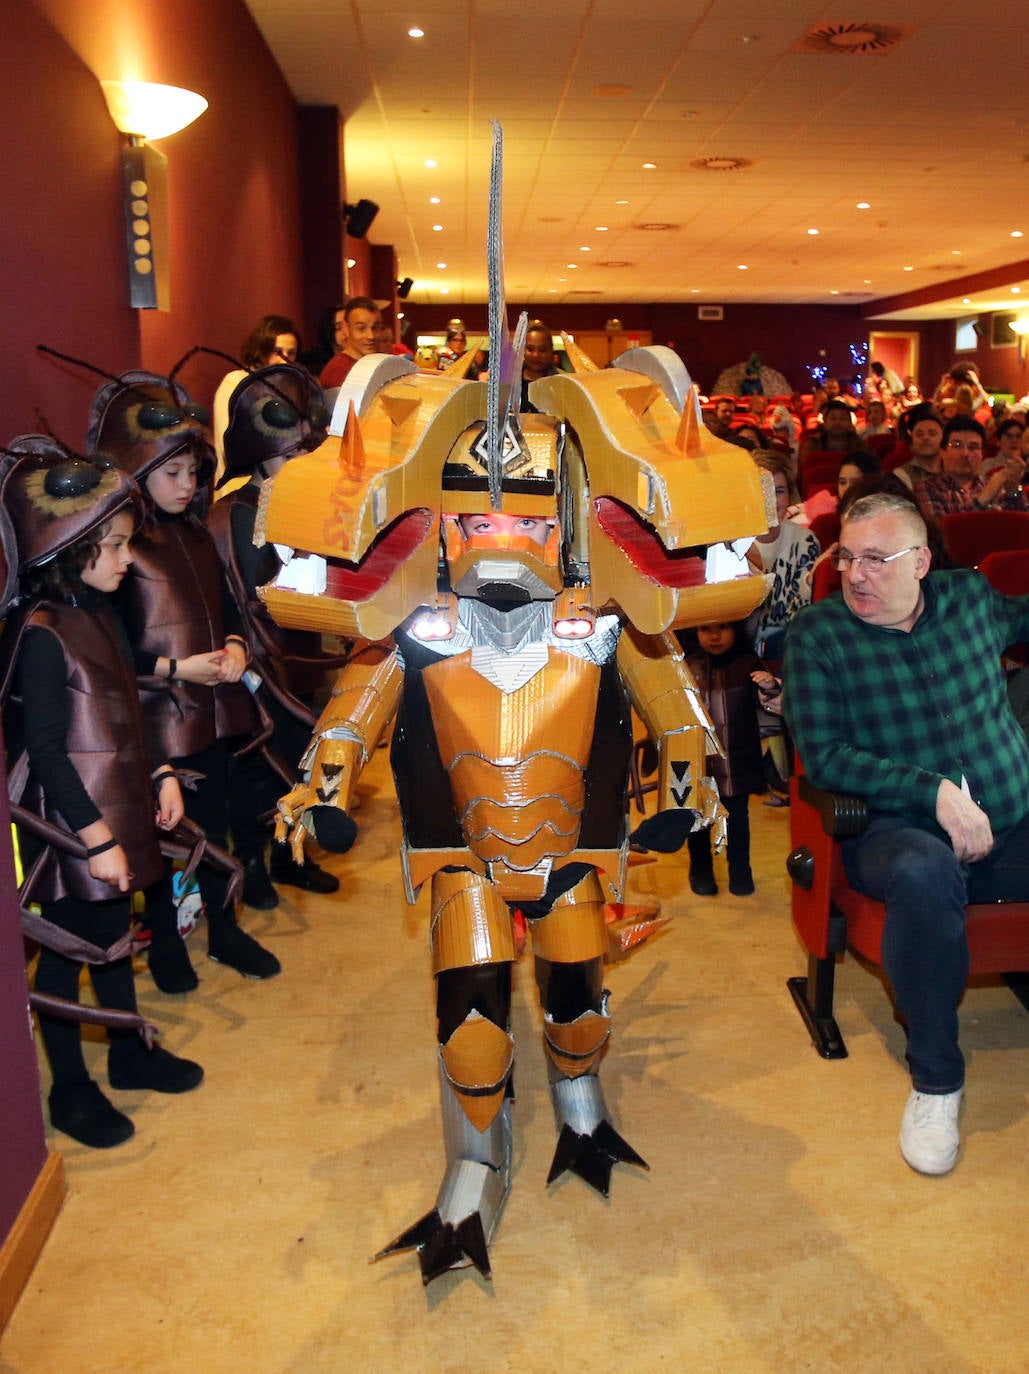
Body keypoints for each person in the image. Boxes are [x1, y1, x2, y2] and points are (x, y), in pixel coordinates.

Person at [784, 491, 1029, 1176]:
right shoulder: (819, 635)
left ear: (920, 561)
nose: (855, 575)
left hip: (1010, 818)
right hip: (895, 830)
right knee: (924, 875)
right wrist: (932, 791)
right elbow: (824, 753)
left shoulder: (971, 600)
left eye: (875, 559)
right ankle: (935, 1080)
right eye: (846, 559)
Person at [0, 443, 204, 1148]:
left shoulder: (103, 613)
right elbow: (47, 751)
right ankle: (70, 1091)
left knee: (113, 936)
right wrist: (96, 840)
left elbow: (127, 707)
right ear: (67, 548)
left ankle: (128, 1053)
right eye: (113, 547)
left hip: (118, 802)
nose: (126, 560)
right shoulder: (41, 635)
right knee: (68, 951)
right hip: (71, 822)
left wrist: (159, 774)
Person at [87, 369, 282, 985]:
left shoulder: (196, 533)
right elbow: (112, 649)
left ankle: (225, 928)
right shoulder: (125, 549)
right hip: (157, 713)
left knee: (218, 822)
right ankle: (167, 939)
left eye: (194, 472)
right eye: (171, 473)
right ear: (137, 471)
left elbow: (227, 605)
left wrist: (231, 644)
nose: (187, 484)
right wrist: (175, 667)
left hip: (214, 704)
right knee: (162, 834)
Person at [206, 364, 345, 902]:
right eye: (287, 457)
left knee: (299, 766)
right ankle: (254, 869)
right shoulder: (235, 514)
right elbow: (247, 596)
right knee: (258, 772)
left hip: (302, 654)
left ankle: (291, 858)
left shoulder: (303, 504)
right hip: (260, 663)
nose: (296, 466)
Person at [683, 622, 781, 897]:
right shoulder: (686, 666)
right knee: (698, 821)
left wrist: (770, 686)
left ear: (736, 631)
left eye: (723, 628)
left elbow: (769, 702)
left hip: (737, 762)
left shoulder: (748, 665)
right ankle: (700, 871)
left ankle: (741, 872)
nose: (714, 636)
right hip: (697, 763)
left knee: (737, 822)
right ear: (695, 633)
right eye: (705, 629)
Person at [746, 451, 819, 660]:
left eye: (779, 491)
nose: (772, 501)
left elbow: (799, 615)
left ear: (790, 496)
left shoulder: (805, 541)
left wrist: (811, 579)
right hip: (736, 645)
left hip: (785, 644)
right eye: (763, 490)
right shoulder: (728, 543)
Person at [917, 415, 1029, 518]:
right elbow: (943, 533)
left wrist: (1013, 489)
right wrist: (983, 498)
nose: (965, 453)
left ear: (982, 454)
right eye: (957, 446)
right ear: (942, 452)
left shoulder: (991, 483)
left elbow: (1022, 525)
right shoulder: (928, 488)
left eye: (973, 447)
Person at [318, 297, 382, 389]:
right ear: (347, 328)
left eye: (375, 327)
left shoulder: (373, 364)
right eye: (361, 329)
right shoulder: (338, 370)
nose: (370, 336)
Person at [893, 405, 944, 491]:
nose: (925, 438)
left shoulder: (953, 469)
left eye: (932, 433)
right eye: (919, 434)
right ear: (912, 441)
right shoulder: (902, 474)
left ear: (943, 439)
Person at [799, 399, 864, 460]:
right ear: (825, 422)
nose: (837, 422)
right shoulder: (813, 444)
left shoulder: (859, 444)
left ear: (850, 423)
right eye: (833, 418)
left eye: (843, 419)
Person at [520, 322, 562, 410]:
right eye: (530, 349)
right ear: (523, 350)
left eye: (542, 350)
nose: (536, 355)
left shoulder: (561, 383)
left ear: (551, 351)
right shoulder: (511, 382)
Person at [299, 304, 345, 376]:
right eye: (338, 327)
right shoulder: (316, 363)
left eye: (348, 325)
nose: (346, 332)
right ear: (328, 330)